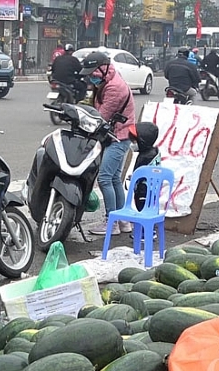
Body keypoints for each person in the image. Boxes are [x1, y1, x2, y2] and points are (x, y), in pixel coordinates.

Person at [79, 51, 136, 236]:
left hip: (119, 137)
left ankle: (110, 222)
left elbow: (101, 117)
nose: (90, 77)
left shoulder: (114, 88)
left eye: (93, 72)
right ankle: (123, 220)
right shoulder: (108, 80)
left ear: (103, 68)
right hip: (117, 135)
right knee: (113, 178)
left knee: (104, 178)